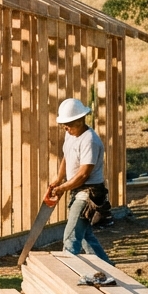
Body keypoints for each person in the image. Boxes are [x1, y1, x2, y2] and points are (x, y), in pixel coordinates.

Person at [48, 97, 112, 263]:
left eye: (68, 123)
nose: (65, 127)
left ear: (80, 120)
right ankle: (108, 267)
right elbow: (67, 157)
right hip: (78, 190)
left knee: (71, 238)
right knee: (85, 236)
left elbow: (84, 174)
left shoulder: (89, 140)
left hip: (89, 193)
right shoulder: (71, 135)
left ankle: (66, 272)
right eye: (64, 124)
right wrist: (59, 179)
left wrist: (63, 188)